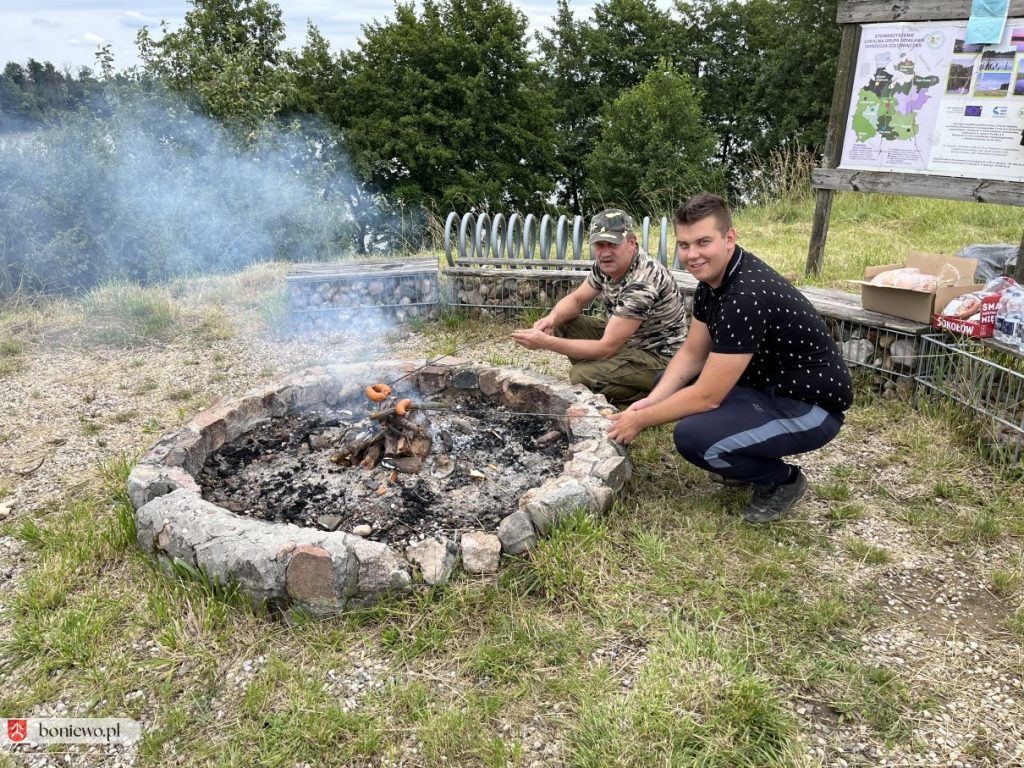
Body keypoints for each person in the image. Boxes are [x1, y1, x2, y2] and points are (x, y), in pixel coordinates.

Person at [608, 193, 853, 523]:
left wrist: (640, 420)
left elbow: (707, 397)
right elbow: (692, 354)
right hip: (765, 387)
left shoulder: (744, 296)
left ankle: (783, 480)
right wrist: (651, 402)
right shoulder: (712, 283)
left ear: (729, 238)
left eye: (703, 242)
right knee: (665, 383)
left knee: (694, 438)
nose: (692, 255)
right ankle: (740, 453)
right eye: (684, 245)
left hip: (810, 407)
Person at [511, 208, 688, 406]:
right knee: (564, 323)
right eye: (599, 244)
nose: (605, 252)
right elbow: (577, 300)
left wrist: (545, 342)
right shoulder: (606, 265)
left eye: (612, 244)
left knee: (581, 375)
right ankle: (607, 376)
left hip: (662, 359)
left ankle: (656, 394)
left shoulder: (642, 283)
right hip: (632, 343)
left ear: (632, 242)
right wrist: (551, 319)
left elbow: (606, 348)